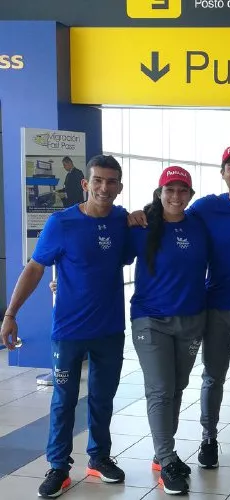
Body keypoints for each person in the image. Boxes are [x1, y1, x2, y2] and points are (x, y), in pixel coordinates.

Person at [128, 144, 230, 470]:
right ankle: (208, 438)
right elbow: (171, 218)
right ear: (222, 174)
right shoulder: (205, 208)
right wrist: (137, 213)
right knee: (212, 377)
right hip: (215, 308)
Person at [1, 154, 130, 499]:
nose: (104, 187)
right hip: (69, 331)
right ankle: (58, 466)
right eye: (98, 180)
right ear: (86, 184)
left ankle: (99, 458)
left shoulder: (122, 220)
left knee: (102, 398)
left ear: (119, 187)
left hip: (109, 330)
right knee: (64, 401)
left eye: (111, 182)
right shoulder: (61, 223)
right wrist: (11, 314)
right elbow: (35, 268)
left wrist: (140, 218)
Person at [129, 166, 209, 495]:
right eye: (170, 190)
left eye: (182, 190)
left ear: (190, 195)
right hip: (151, 320)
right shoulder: (142, 226)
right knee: (161, 389)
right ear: (160, 192)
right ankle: (166, 458)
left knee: (177, 387)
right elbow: (103, 256)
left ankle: (163, 452)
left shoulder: (199, 226)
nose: (176, 196)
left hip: (191, 319)